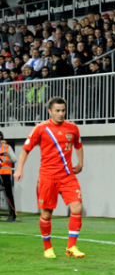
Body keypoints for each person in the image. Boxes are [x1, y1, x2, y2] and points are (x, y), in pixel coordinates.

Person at [13, 97, 85, 259]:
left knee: (77, 207)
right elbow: (26, 149)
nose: (61, 114)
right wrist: (19, 169)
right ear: (50, 111)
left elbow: (78, 145)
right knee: (46, 214)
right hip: (47, 177)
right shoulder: (41, 129)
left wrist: (80, 163)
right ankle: (48, 248)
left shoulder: (72, 128)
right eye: (57, 111)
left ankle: (71, 246)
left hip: (67, 177)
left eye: (63, 110)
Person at [0, 131, 18, 221]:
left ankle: (13, 214)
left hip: (5, 173)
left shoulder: (7, 147)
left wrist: (9, 155)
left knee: (8, 194)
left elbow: (14, 159)